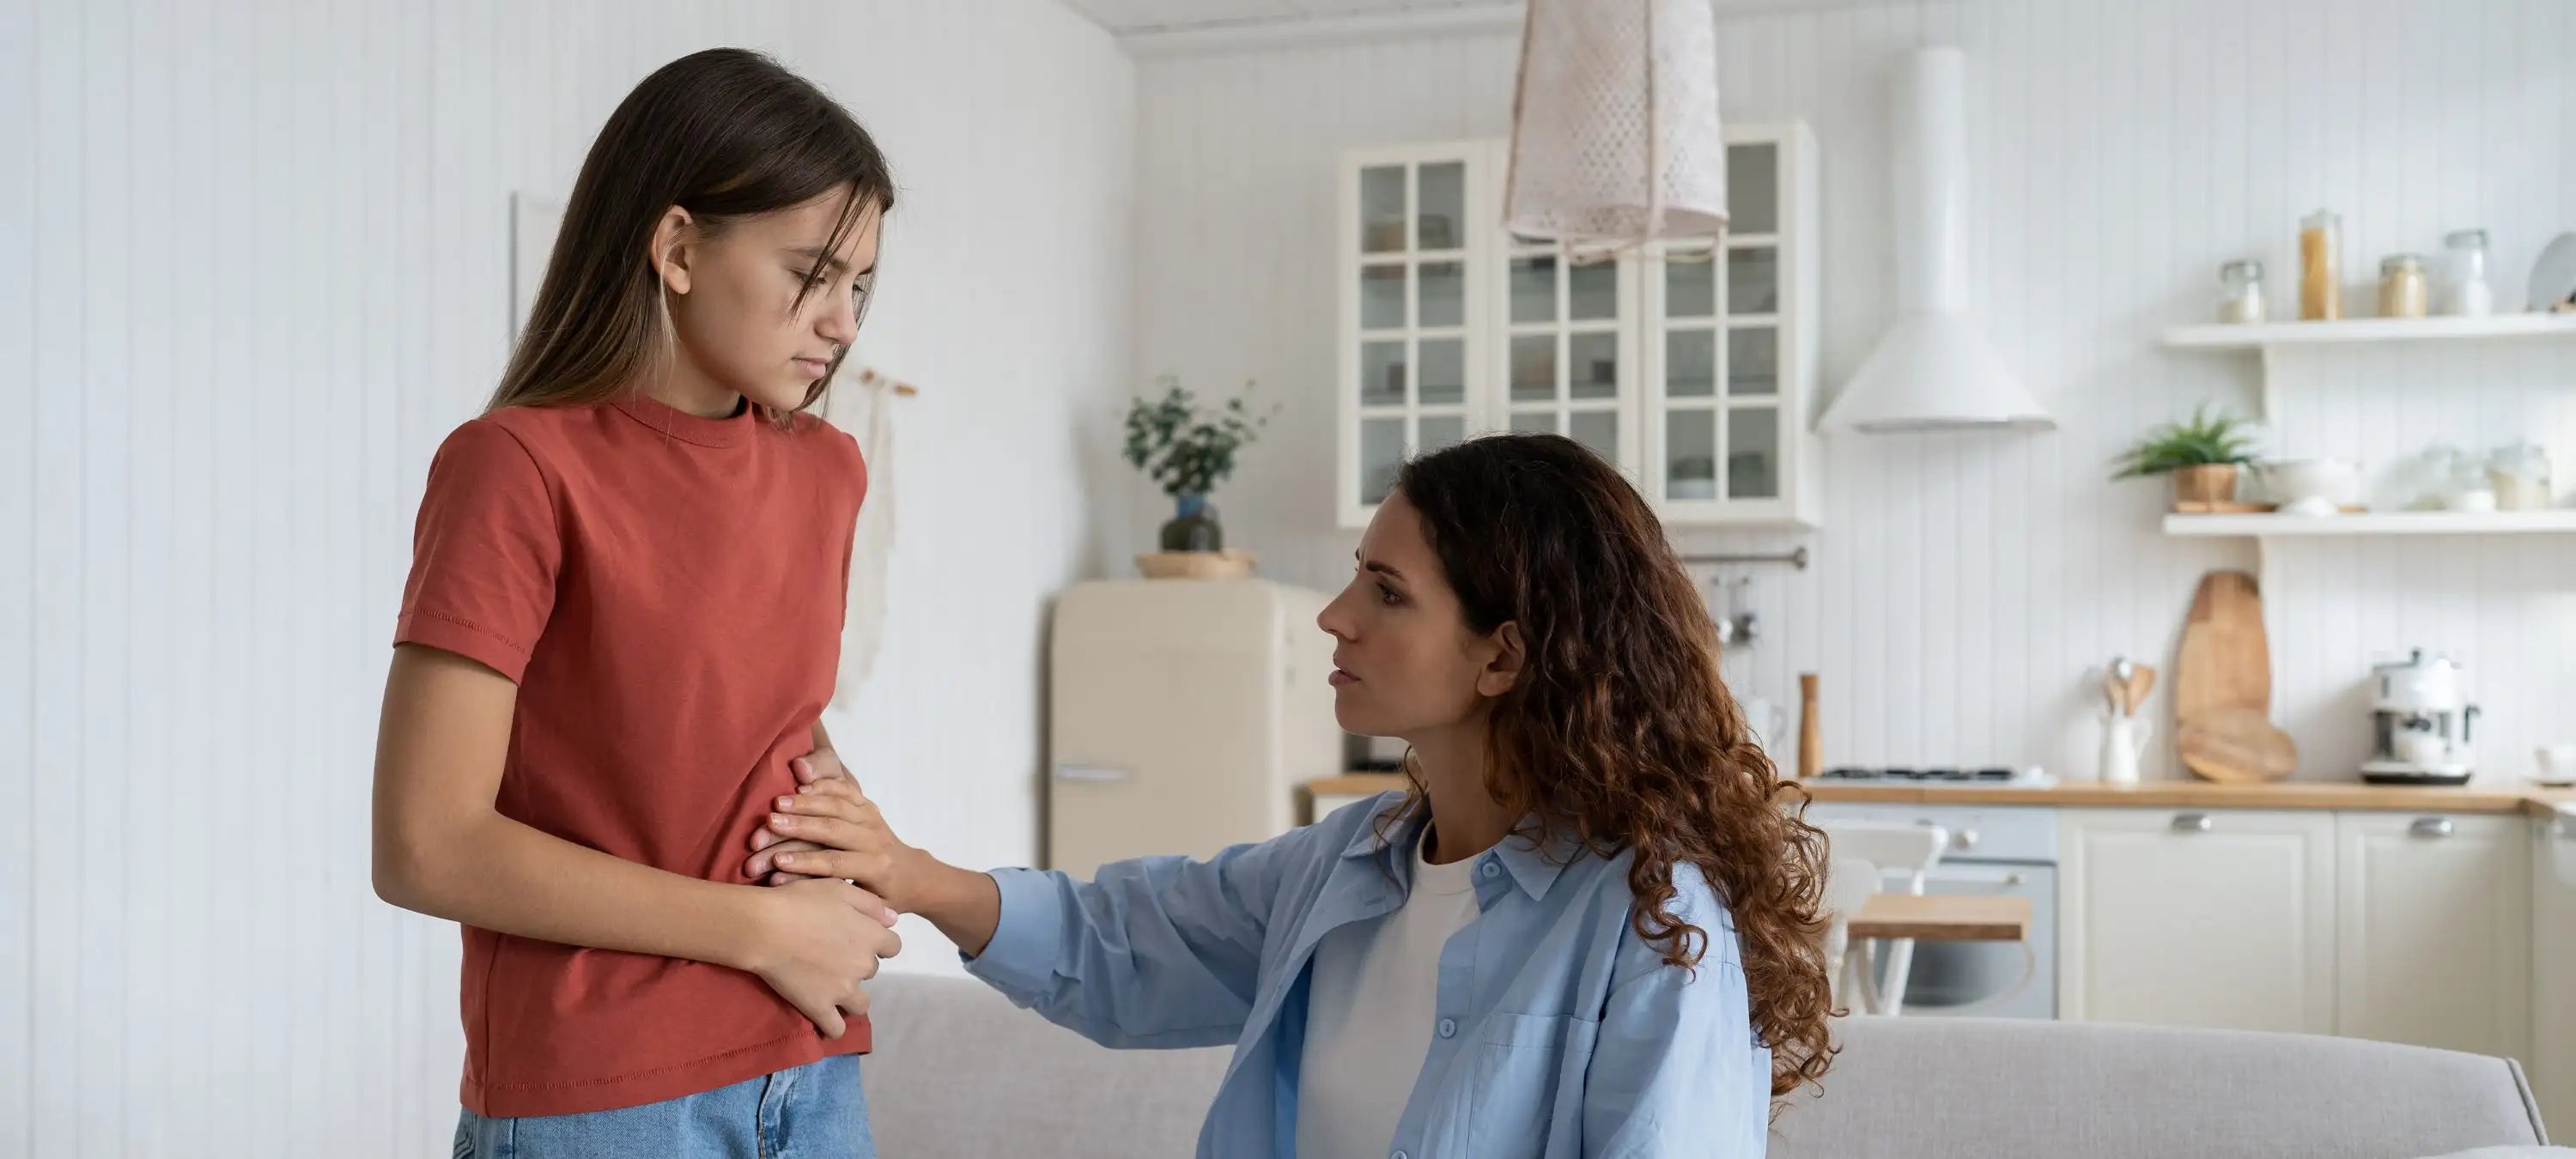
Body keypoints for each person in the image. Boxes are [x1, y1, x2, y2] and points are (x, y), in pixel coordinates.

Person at [754, 433, 1838, 1156]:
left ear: (1502, 657)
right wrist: (903, 871)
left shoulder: (1650, 922)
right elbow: (1119, 943)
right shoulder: (1347, 864)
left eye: (1385, 591)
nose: (1334, 617)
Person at [370, 47, 901, 1157]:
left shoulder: (829, 472)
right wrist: (766, 928)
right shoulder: (515, 467)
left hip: (811, 1063)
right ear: (676, 249)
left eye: (861, 284)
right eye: (814, 274)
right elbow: (425, 842)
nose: (845, 322)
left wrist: (851, 831)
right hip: (602, 1098)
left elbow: (753, 728)